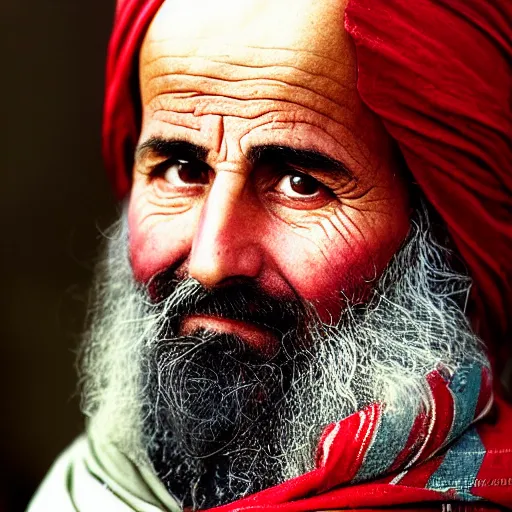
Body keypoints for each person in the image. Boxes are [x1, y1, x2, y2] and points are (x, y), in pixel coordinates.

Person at [28, 0, 512, 510]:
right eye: (181, 170)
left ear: (445, 234)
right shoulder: (79, 491)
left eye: (301, 184)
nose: (209, 263)